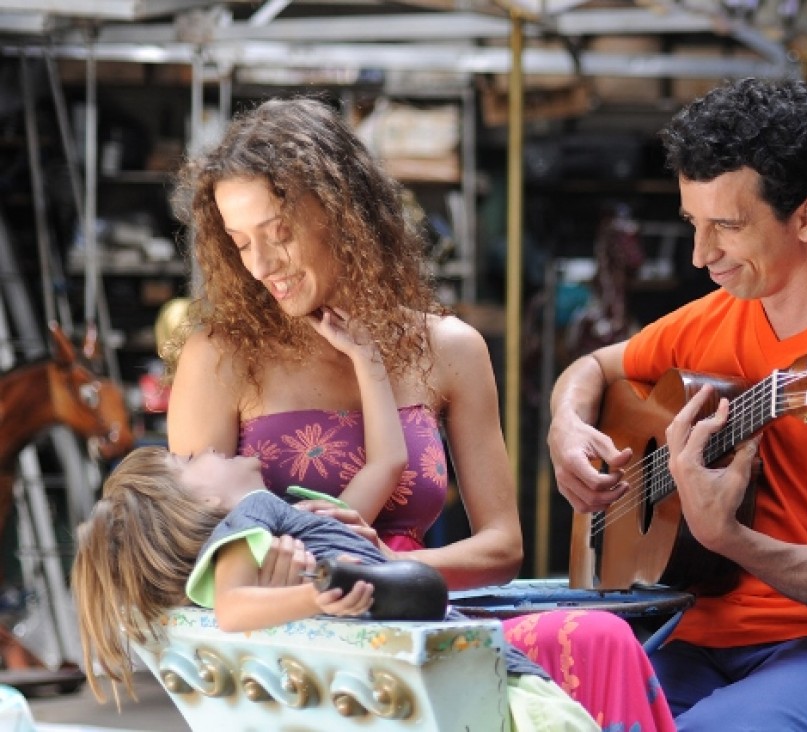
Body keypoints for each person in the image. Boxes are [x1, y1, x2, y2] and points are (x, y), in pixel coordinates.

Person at [161, 96, 674, 731]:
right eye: (240, 243)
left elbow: (502, 546)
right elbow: (186, 557)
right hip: (292, 656)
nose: (261, 265)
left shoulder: (450, 349)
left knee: (603, 639)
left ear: (342, 213)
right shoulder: (220, 356)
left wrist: (392, 573)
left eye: (279, 232)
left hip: (427, 618)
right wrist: (335, 585)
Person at [546, 77, 807, 731]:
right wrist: (567, 427)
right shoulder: (713, 319)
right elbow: (592, 367)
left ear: (806, 217)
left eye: (727, 228)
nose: (700, 255)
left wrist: (725, 536)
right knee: (544, 711)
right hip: (686, 628)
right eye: (693, 223)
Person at [70, 445, 599, 732]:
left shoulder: (278, 521)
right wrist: (311, 598)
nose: (204, 447)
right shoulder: (251, 516)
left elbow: (387, 463)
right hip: (474, 670)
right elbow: (232, 608)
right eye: (186, 462)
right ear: (201, 506)